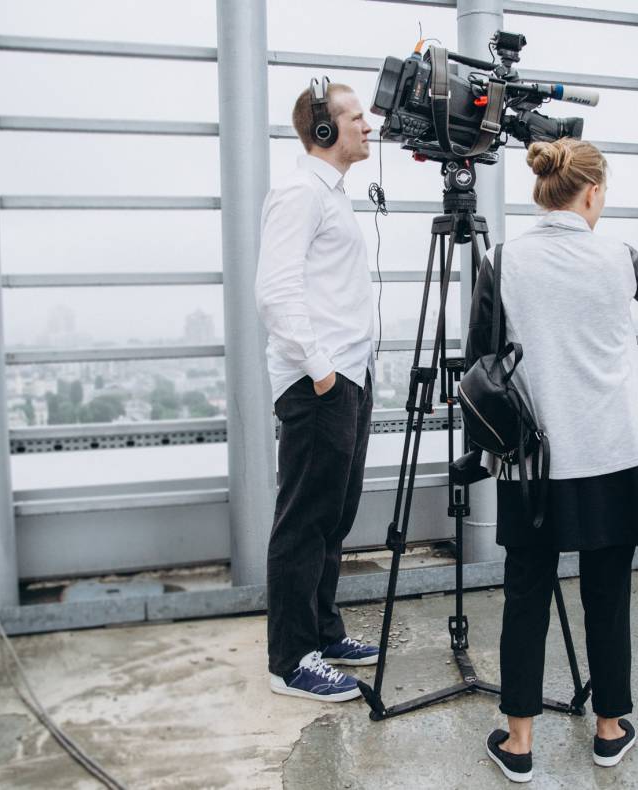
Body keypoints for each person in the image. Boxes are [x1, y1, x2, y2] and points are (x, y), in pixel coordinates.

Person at [467, 138, 638, 782]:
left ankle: (521, 741)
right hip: (615, 453)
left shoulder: (501, 261)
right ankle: (610, 730)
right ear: (591, 192)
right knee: (608, 593)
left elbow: (480, 361)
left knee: (527, 592)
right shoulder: (617, 256)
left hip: (534, 465)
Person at [254, 80, 379, 702]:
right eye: (356, 117)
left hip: (347, 377)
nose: (370, 124)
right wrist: (322, 372)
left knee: (333, 519)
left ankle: (324, 633)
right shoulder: (300, 193)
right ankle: (290, 661)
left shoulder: (332, 195)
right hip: (319, 384)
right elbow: (276, 292)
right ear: (324, 130)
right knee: (303, 522)